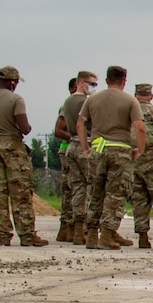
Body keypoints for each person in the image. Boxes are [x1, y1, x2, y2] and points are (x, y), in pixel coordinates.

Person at [77, 66, 144, 249]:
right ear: (124, 80)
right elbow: (139, 127)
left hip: (97, 149)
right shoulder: (130, 100)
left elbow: (80, 125)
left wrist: (85, 148)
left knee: (95, 192)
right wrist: (140, 149)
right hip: (120, 151)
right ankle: (106, 235)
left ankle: (91, 234)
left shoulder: (92, 99)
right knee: (115, 195)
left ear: (107, 80)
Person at [0, 64, 46, 246]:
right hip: (11, 145)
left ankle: (2, 234)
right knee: (21, 191)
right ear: (12, 82)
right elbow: (24, 127)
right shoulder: (16, 99)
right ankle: (26, 234)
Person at [53, 71, 98, 243]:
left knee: (77, 189)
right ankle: (86, 229)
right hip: (85, 144)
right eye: (92, 84)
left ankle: (77, 230)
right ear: (81, 83)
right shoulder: (86, 102)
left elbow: (60, 127)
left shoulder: (68, 101)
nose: (94, 88)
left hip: (71, 146)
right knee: (92, 189)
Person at [126, 83, 153, 249]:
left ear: (135, 95)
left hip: (134, 160)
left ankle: (142, 236)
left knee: (139, 201)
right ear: (151, 96)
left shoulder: (129, 111)